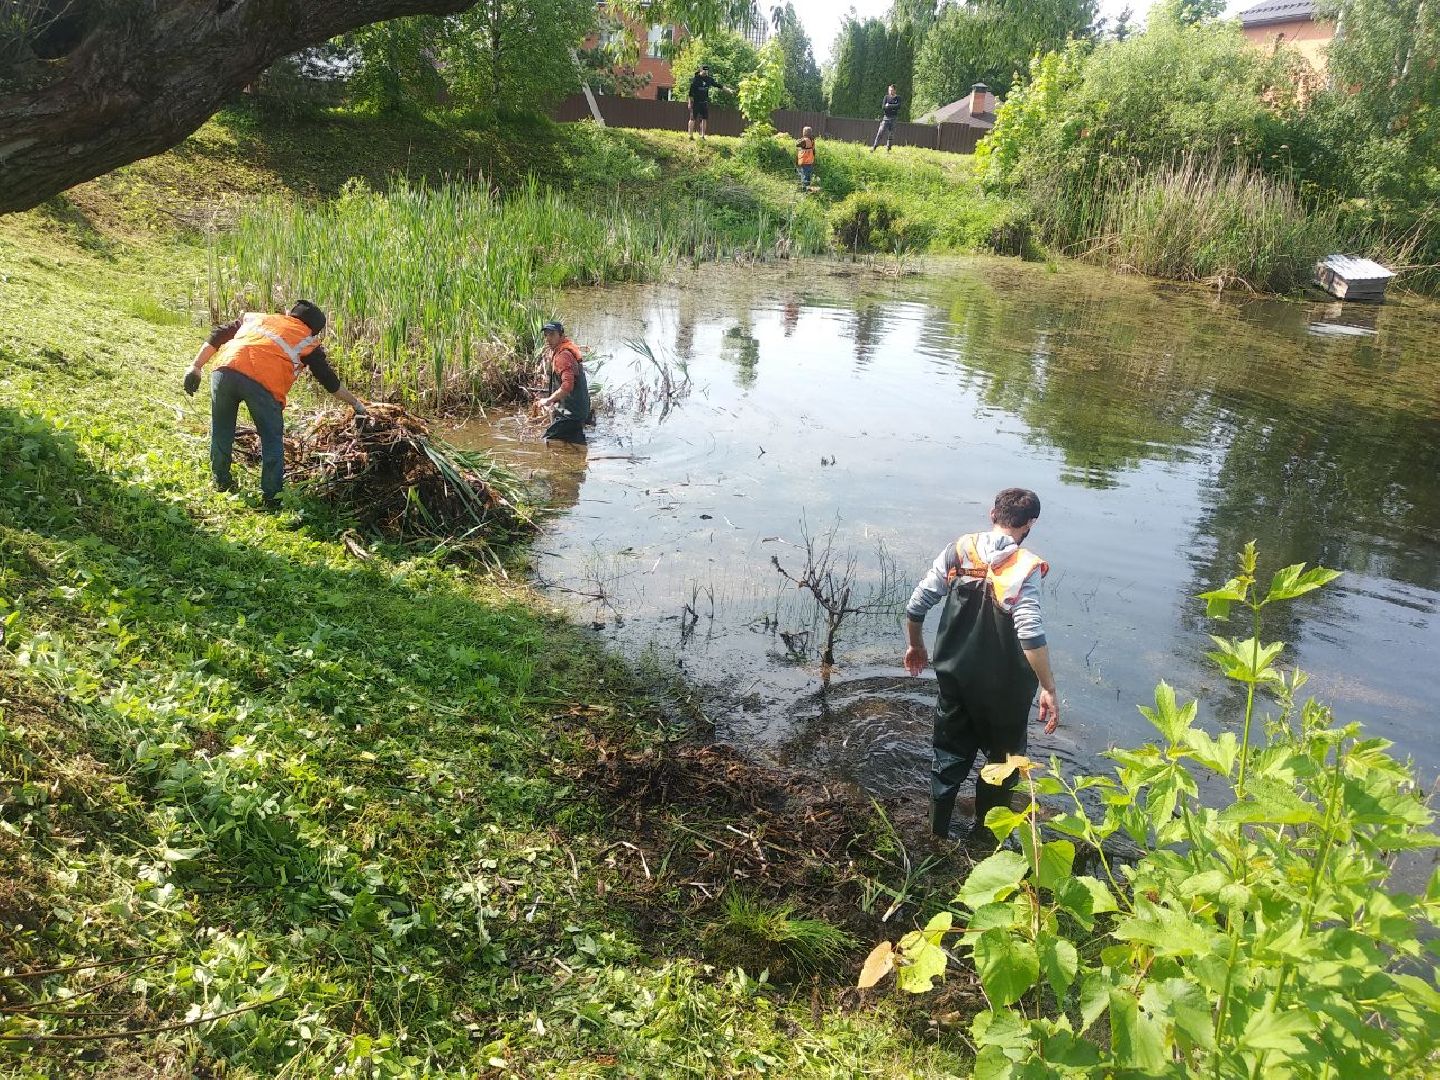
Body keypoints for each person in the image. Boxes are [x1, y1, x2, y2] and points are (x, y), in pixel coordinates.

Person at [902, 488, 1059, 842]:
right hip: (1006, 693)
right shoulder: (1025, 566)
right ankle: (985, 840)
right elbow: (1030, 634)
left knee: (947, 759)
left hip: (955, 682)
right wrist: (1048, 687)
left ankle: (936, 835)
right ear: (1030, 523)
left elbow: (917, 603)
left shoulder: (960, 550)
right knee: (1003, 766)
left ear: (992, 514)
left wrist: (915, 645)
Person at [183, 300, 368, 508]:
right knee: (271, 439)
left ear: (290, 313)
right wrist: (356, 404)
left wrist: (196, 366)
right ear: (314, 330)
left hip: (224, 371)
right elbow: (330, 382)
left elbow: (218, 335)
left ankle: (221, 482)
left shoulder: (258, 319)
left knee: (222, 430)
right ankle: (272, 498)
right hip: (262, 384)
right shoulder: (307, 341)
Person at [536, 320, 591, 445]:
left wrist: (548, 400)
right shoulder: (564, 350)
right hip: (577, 410)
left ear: (561, 336)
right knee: (575, 442)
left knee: (549, 441)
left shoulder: (563, 356)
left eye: (552, 334)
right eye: (546, 335)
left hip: (571, 413)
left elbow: (567, 386)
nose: (548, 338)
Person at [687, 64, 729, 141]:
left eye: (707, 70)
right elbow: (690, 93)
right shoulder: (695, 79)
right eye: (704, 70)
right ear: (701, 70)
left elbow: (717, 85)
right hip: (695, 102)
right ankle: (690, 135)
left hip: (704, 102)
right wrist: (690, 102)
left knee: (704, 118)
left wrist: (726, 89)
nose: (706, 72)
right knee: (692, 118)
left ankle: (702, 135)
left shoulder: (709, 79)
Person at [871, 84, 902, 152]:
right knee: (880, 132)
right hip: (886, 118)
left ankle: (888, 148)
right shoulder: (886, 97)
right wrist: (893, 107)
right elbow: (883, 107)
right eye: (889, 90)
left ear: (895, 90)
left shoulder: (898, 98)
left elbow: (898, 106)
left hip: (894, 118)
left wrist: (889, 105)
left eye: (892, 90)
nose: (890, 91)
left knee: (891, 134)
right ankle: (874, 147)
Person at [796, 126, 817, 191]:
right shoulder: (812, 140)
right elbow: (814, 151)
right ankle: (808, 189)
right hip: (810, 160)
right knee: (808, 176)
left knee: (804, 175)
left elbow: (797, 144)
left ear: (804, 132)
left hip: (804, 160)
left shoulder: (804, 140)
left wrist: (800, 139)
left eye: (804, 131)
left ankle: (804, 189)